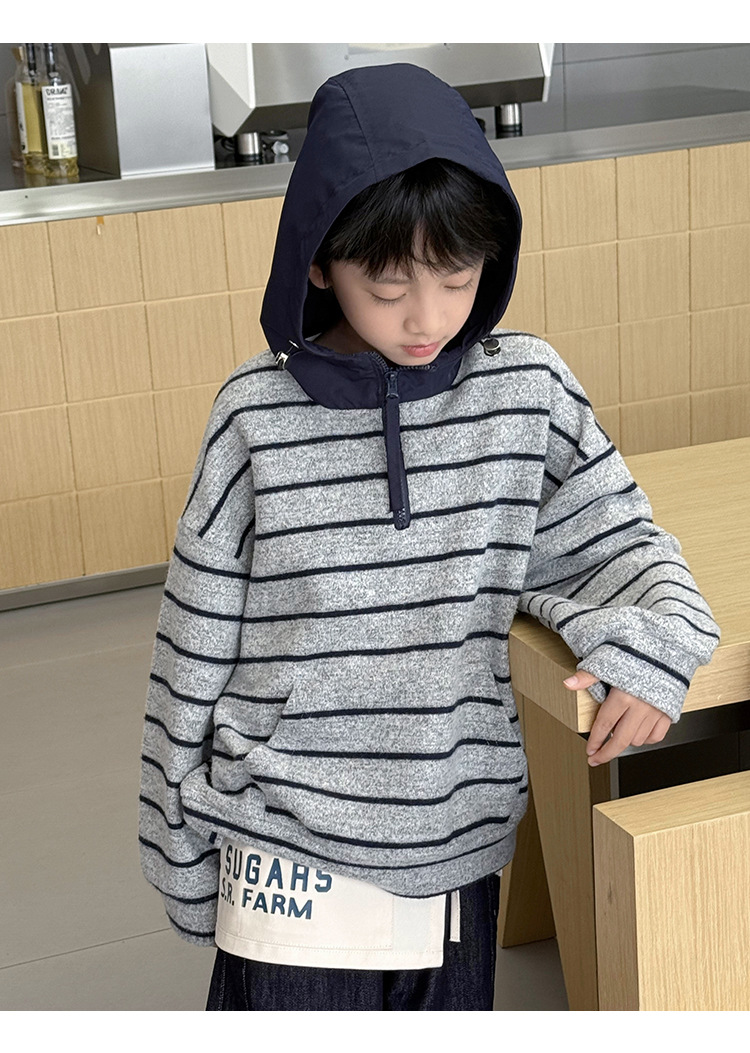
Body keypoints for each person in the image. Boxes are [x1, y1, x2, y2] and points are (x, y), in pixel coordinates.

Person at [138, 63, 720, 1012]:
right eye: (388, 283)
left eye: (457, 278)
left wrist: (656, 653)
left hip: (457, 852)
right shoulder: (252, 418)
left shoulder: (526, 390)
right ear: (319, 261)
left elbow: (620, 545)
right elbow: (191, 648)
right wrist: (179, 851)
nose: (428, 318)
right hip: (283, 853)